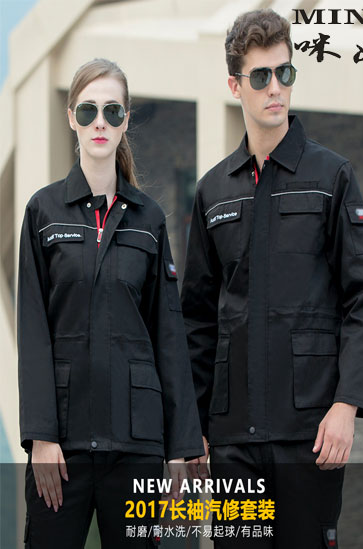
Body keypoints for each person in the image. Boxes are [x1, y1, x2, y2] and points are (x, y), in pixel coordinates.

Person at [182, 9, 363, 548]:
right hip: (232, 441)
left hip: (310, 436)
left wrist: (347, 405)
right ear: (235, 86)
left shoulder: (331, 177)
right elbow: (196, 318)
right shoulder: (212, 192)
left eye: (284, 73)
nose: (276, 88)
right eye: (261, 76)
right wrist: (192, 426)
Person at [18, 58, 203, 548]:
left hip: (137, 444)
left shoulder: (150, 219)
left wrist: (180, 449)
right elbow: (33, 331)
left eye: (112, 111)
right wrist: (41, 435)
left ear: (125, 121)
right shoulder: (43, 212)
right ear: (72, 118)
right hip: (62, 445)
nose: (100, 121)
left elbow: (168, 334)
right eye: (89, 110)